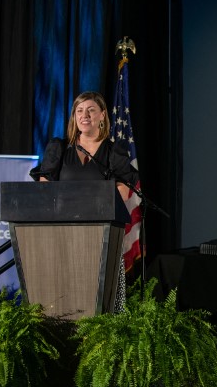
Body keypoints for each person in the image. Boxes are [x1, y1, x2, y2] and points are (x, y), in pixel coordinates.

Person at [32, 91, 140, 313]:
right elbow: (45, 185)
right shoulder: (60, 148)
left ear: (102, 115)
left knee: (99, 297)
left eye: (91, 110)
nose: (85, 115)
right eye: (79, 111)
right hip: (62, 233)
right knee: (64, 292)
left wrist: (99, 208)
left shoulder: (114, 151)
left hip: (102, 233)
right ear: (74, 116)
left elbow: (123, 189)